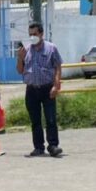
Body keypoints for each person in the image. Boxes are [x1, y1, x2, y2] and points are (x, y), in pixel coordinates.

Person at [17, 22, 63, 157]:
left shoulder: (51, 48)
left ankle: (53, 146)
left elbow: (58, 67)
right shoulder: (26, 50)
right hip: (31, 90)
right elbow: (20, 70)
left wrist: (56, 85)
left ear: (41, 34)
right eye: (30, 34)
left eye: (35, 34)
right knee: (35, 120)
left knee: (50, 119)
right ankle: (38, 147)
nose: (32, 37)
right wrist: (20, 59)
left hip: (47, 88)